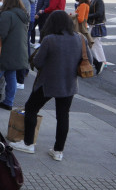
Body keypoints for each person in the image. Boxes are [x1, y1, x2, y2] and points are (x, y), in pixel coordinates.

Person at [10, 11, 84, 161]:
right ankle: (58, 151)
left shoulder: (50, 39)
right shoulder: (79, 38)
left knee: (31, 108)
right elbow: (86, 58)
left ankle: (28, 143)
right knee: (63, 116)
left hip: (48, 83)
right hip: (69, 84)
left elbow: (38, 62)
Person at [0, 0, 30, 110]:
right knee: (11, 76)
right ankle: (9, 102)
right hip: (18, 51)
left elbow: (1, 34)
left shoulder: (7, 14)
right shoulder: (23, 15)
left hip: (6, 51)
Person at [88, 0, 107, 74]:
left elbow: (99, 13)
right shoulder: (94, 0)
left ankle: (100, 61)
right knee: (95, 44)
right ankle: (101, 61)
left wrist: (87, 16)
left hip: (96, 25)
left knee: (94, 44)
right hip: (93, 24)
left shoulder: (98, 1)